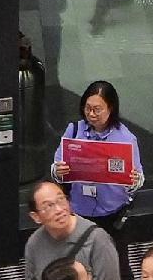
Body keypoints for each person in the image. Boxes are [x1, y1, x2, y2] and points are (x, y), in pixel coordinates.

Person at [20, 177, 125, 280]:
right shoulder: (34, 244)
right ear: (36, 217)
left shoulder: (97, 238)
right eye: (48, 206)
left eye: (61, 200)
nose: (59, 209)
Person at [57, 81, 144, 239]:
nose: (91, 114)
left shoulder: (125, 139)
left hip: (111, 212)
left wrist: (134, 181)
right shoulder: (74, 130)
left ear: (110, 108)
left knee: (114, 260)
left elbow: (137, 179)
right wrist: (58, 171)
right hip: (78, 210)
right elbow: (57, 168)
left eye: (97, 109)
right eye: (87, 108)